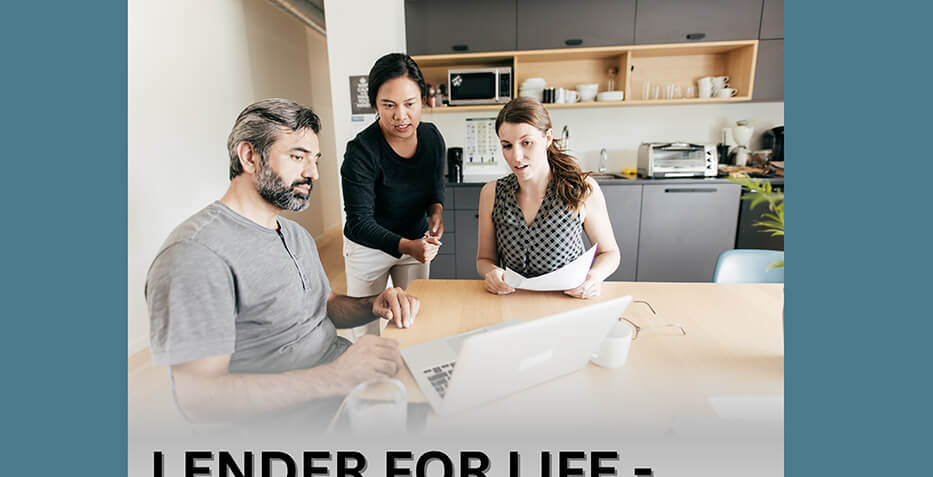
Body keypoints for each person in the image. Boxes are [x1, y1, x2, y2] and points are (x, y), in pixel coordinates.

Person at [145, 99, 419, 424]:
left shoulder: (294, 233)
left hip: (345, 385)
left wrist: (373, 304)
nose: (313, 173)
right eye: (298, 156)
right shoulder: (195, 254)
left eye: (315, 159)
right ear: (249, 157)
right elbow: (199, 398)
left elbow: (323, 305)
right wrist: (337, 376)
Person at [341, 53, 446, 335]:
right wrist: (408, 246)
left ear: (423, 100)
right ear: (375, 104)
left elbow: (435, 186)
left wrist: (436, 212)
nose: (401, 115)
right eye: (389, 105)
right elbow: (360, 222)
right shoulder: (361, 151)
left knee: (411, 323)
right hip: (368, 249)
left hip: (415, 242)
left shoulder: (431, 137)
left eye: (410, 104)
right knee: (365, 330)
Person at [476, 97, 620, 299]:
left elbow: (610, 253)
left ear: (548, 138)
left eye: (526, 143)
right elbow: (484, 259)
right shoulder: (491, 193)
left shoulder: (582, 189)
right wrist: (491, 273)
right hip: (512, 301)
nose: (516, 156)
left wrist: (594, 277)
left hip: (568, 302)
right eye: (507, 145)